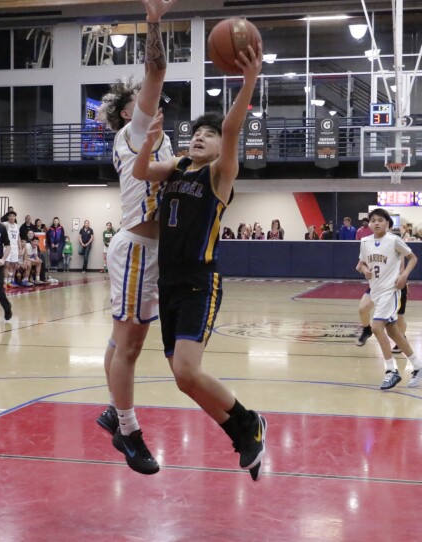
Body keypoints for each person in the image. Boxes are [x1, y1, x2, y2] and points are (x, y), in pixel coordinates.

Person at [133, 42, 267, 480]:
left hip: (198, 280)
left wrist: (247, 84)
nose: (199, 136)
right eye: (195, 132)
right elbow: (139, 174)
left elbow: (231, 131)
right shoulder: (175, 168)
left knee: (188, 370)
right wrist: (149, 145)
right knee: (183, 378)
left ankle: (248, 422)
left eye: (206, 134)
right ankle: (240, 430)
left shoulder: (219, 174)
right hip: (168, 282)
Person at [92, 0, 178, 477]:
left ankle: (111, 409)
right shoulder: (135, 130)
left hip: (152, 251)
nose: (155, 101)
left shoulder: (161, 140)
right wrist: (153, 22)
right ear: (129, 111)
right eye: (145, 98)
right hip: (136, 249)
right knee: (130, 346)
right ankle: (127, 430)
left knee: (121, 338)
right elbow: (157, 68)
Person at [356, 208, 422, 390]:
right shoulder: (365, 242)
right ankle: (419, 365)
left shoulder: (394, 240)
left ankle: (391, 371)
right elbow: (360, 264)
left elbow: (413, 258)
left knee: (376, 327)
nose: (376, 223)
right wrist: (364, 270)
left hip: (391, 291)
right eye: (373, 220)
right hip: (376, 291)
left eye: (380, 220)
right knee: (393, 332)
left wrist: (404, 274)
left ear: (388, 223)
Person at [3, 212, 22, 288]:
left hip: (15, 247)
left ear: (15, 217)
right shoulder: (5, 224)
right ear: (8, 217)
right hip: (7, 247)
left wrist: (20, 248)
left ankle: (10, 281)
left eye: (13, 216)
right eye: (10, 216)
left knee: (13, 265)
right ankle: (5, 281)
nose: (12, 217)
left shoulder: (17, 226)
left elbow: (18, 237)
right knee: (6, 264)